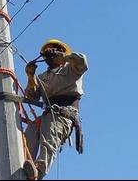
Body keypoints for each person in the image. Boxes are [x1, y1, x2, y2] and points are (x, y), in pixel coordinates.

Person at [22, 39, 88, 180]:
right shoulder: (42, 77)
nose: (50, 54)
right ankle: (22, 168)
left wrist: (64, 57)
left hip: (64, 115)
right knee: (30, 133)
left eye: (54, 50)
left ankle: (38, 171)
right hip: (48, 114)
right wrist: (30, 77)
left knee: (49, 139)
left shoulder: (71, 69)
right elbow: (32, 96)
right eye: (48, 52)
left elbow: (83, 62)